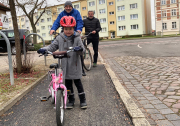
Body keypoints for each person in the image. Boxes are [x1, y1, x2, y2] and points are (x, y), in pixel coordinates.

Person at [37, 16, 87, 109]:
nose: (68, 31)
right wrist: (43, 49)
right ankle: (71, 100)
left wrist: (79, 49)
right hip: (64, 65)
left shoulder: (77, 37)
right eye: (66, 29)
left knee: (77, 83)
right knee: (68, 84)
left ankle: (83, 100)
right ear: (63, 29)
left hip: (74, 64)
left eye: (70, 29)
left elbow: (82, 50)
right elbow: (52, 47)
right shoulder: (59, 38)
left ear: (74, 28)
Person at [50, 0, 86, 76]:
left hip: (74, 32)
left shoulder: (76, 12)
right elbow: (57, 22)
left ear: (72, 7)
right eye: (67, 7)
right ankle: (64, 69)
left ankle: (81, 69)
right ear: (64, 7)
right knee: (63, 50)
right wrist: (53, 29)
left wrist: (79, 30)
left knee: (78, 51)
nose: (68, 8)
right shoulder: (62, 14)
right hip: (65, 32)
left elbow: (79, 21)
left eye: (70, 6)